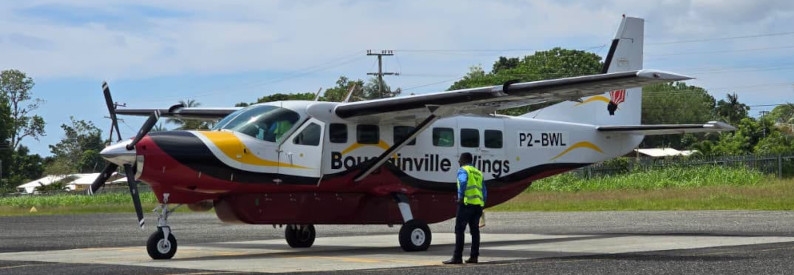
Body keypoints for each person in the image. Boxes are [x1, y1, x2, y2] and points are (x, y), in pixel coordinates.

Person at [443, 152, 486, 264]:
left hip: (466, 204)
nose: (458, 162)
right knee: (475, 231)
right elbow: (484, 191)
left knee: (459, 230)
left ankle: (457, 257)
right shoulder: (478, 173)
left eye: (460, 159)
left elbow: (462, 182)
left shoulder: (463, 170)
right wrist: (482, 204)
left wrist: (461, 197)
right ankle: (474, 256)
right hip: (477, 206)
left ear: (464, 160)